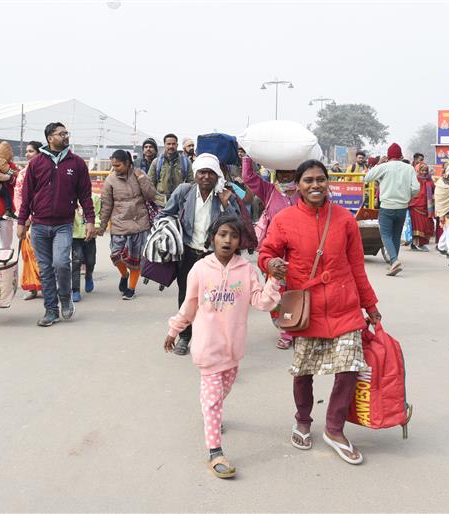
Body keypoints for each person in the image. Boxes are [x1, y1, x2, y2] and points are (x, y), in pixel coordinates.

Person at [258, 159, 381, 465]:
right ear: (297, 185)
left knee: (350, 367)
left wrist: (371, 306)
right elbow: (267, 252)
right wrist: (271, 264)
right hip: (305, 307)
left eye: (320, 180)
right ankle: (302, 420)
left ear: (328, 183)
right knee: (304, 371)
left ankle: (335, 428)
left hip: (344, 303)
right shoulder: (284, 219)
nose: (315, 185)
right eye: (308, 180)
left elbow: (356, 267)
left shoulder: (344, 220)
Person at [164, 214, 281, 479]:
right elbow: (189, 305)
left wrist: (274, 280)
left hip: (233, 349)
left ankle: (210, 412)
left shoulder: (246, 270)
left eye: (233, 235)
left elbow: (262, 302)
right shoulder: (200, 269)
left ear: (240, 240)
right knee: (214, 398)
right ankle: (215, 451)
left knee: (222, 390)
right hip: (207, 348)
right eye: (222, 234)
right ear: (212, 237)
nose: (227, 240)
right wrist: (175, 329)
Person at [158, 153, 241, 355]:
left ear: (217, 176)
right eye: (202, 172)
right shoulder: (184, 192)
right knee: (187, 295)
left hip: (215, 257)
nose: (206, 177)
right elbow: (165, 214)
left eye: (210, 173)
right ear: (195, 174)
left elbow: (236, 224)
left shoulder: (224, 195)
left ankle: (214, 339)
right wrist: (169, 232)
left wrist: (226, 204)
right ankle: (185, 337)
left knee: (216, 298)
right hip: (188, 253)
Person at [17, 122, 96, 327]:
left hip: (63, 224)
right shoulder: (36, 163)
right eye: (61, 134)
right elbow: (27, 195)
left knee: (61, 263)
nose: (66, 136)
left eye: (66, 133)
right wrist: (21, 222)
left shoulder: (76, 163)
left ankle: (65, 298)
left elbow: (85, 195)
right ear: (50, 138)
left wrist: (90, 221)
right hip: (39, 225)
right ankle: (51, 310)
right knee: (45, 269)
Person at [242, 155, 300, 350]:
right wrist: (247, 157)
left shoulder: (304, 191)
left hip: (300, 250)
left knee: (294, 291)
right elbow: (249, 177)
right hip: (274, 251)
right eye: (281, 172)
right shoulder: (269, 190)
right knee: (275, 289)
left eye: (290, 172)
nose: (285, 176)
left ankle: (289, 330)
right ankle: (282, 323)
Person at [98, 149, 157, 300]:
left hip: (139, 224)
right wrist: (102, 225)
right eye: (113, 166)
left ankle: (131, 288)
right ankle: (124, 275)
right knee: (116, 255)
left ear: (127, 163)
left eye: (118, 166)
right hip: (119, 224)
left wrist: (142, 178)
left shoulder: (139, 175)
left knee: (135, 260)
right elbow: (106, 205)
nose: (115, 169)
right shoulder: (110, 180)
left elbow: (151, 195)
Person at [363, 143, 419, 276]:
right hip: (402, 207)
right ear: (400, 156)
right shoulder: (409, 168)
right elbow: (416, 188)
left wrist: (379, 164)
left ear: (388, 157)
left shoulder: (384, 167)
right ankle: (394, 262)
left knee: (386, 235)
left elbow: (367, 177)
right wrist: (408, 198)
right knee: (396, 235)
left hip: (387, 206)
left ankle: (394, 261)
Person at [13, 141, 43, 300]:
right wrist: (23, 218)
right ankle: (32, 288)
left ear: (39, 153)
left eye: (31, 151)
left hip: (42, 218)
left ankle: (46, 286)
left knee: (43, 255)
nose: (27, 154)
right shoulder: (23, 173)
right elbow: (18, 196)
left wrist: (33, 216)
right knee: (28, 254)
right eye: (27, 151)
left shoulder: (45, 171)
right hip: (26, 220)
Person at [148, 133, 193, 207]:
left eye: (173, 144)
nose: (171, 146)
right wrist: (157, 200)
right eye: (168, 144)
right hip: (161, 205)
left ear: (177, 145)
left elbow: (192, 183)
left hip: (180, 204)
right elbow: (150, 185)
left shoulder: (186, 162)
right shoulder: (156, 162)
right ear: (164, 145)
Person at [71, 191, 101, 302]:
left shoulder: (94, 197)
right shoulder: (69, 195)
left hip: (89, 235)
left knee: (90, 261)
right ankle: (75, 290)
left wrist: (96, 225)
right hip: (74, 235)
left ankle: (89, 275)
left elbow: (97, 214)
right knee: (76, 261)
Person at [408, 162, 435, 251]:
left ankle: (420, 243)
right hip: (415, 206)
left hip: (427, 207)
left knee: (426, 225)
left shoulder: (430, 180)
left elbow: (433, 190)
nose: (424, 172)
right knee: (417, 226)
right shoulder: (415, 179)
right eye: (422, 170)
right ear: (418, 170)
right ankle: (416, 243)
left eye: (425, 170)